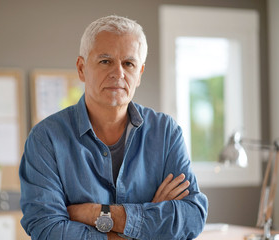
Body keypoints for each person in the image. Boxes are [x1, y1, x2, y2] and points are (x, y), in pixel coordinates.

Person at [19, 15, 208, 240]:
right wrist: (145, 224)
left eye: (128, 63)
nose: (118, 73)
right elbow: (48, 230)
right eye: (105, 61)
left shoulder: (166, 133)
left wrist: (96, 213)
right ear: (81, 68)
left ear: (139, 74)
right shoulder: (46, 139)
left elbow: (192, 216)